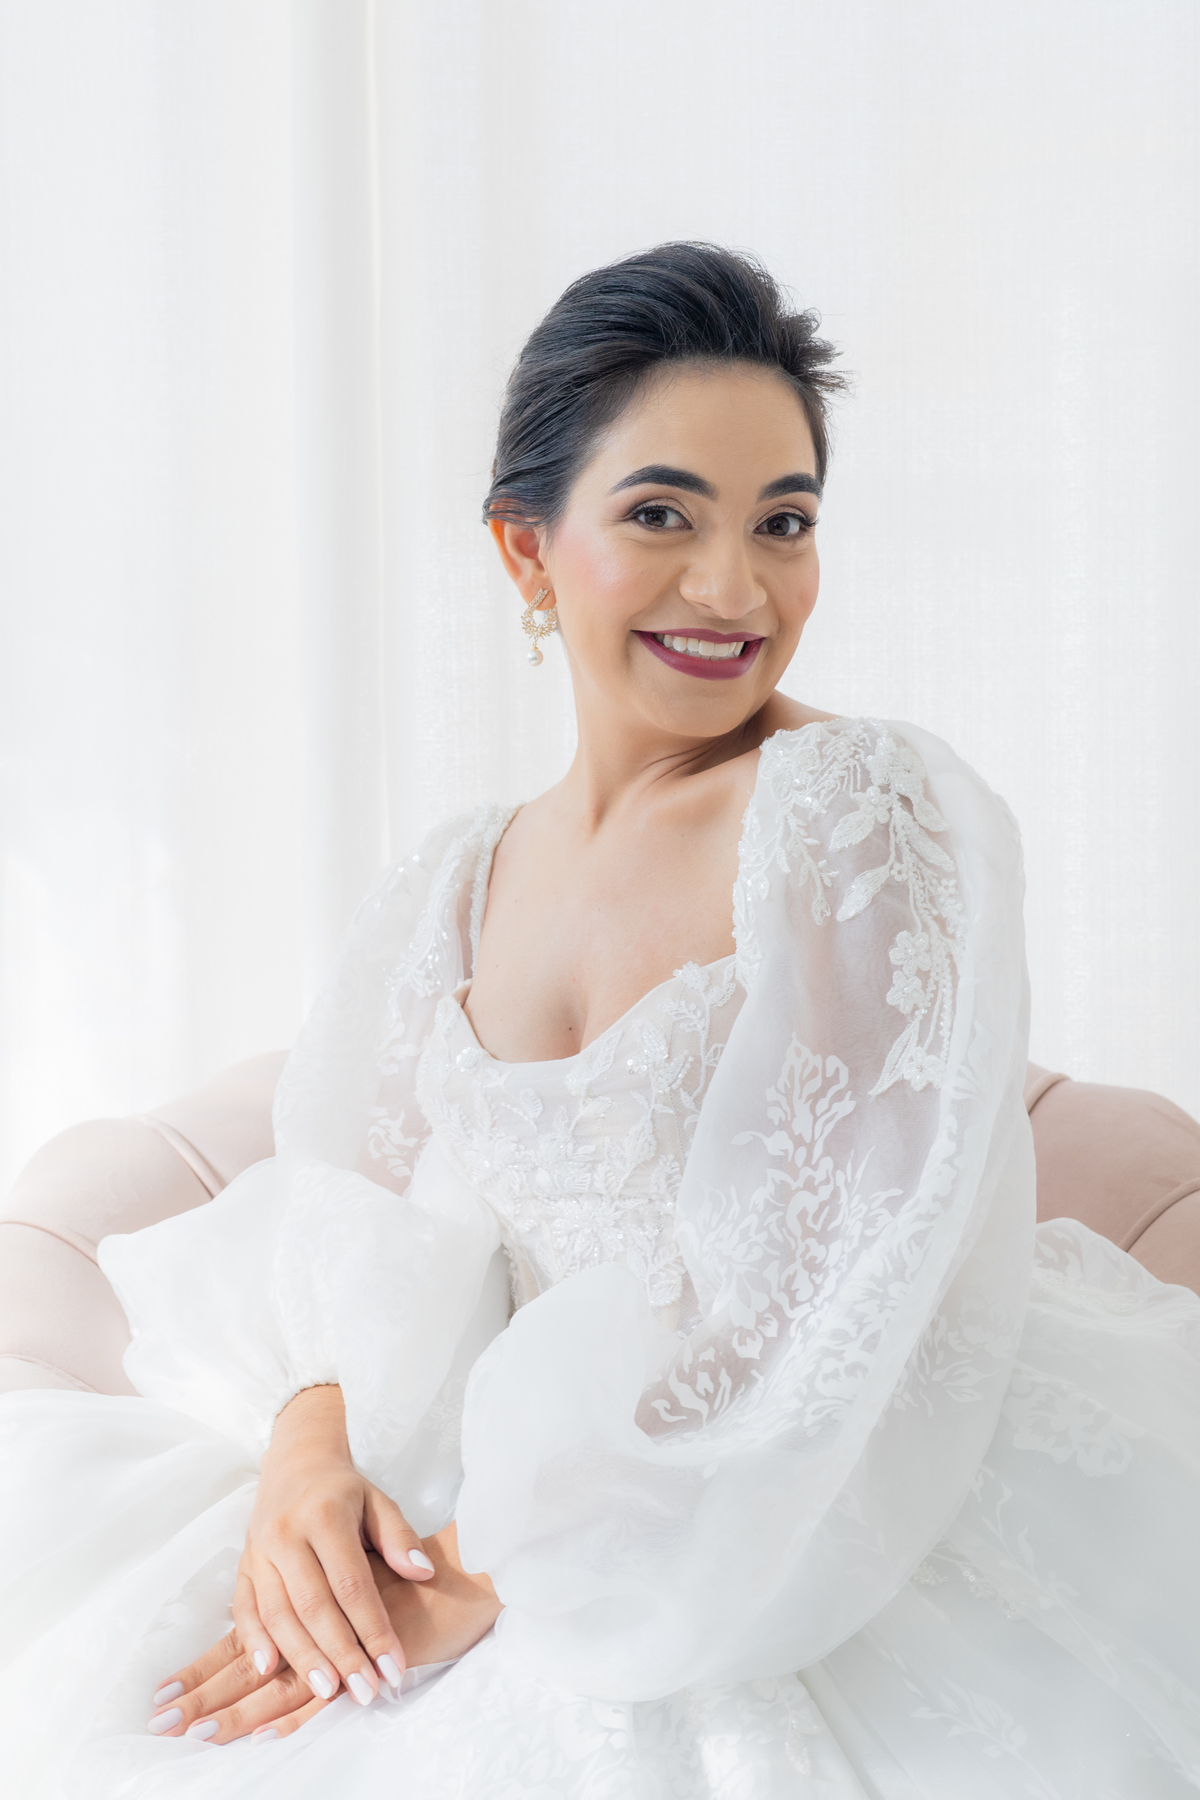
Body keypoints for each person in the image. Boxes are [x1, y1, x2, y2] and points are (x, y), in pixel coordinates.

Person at [2, 243, 1198, 1800]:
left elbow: (842, 1295)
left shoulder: (860, 811)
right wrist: (308, 1452)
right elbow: (345, 1213)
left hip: (779, 1491)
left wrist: (486, 1576)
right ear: (527, 550)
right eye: (661, 516)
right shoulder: (453, 881)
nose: (736, 590)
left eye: (784, 523)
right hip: (482, 1467)